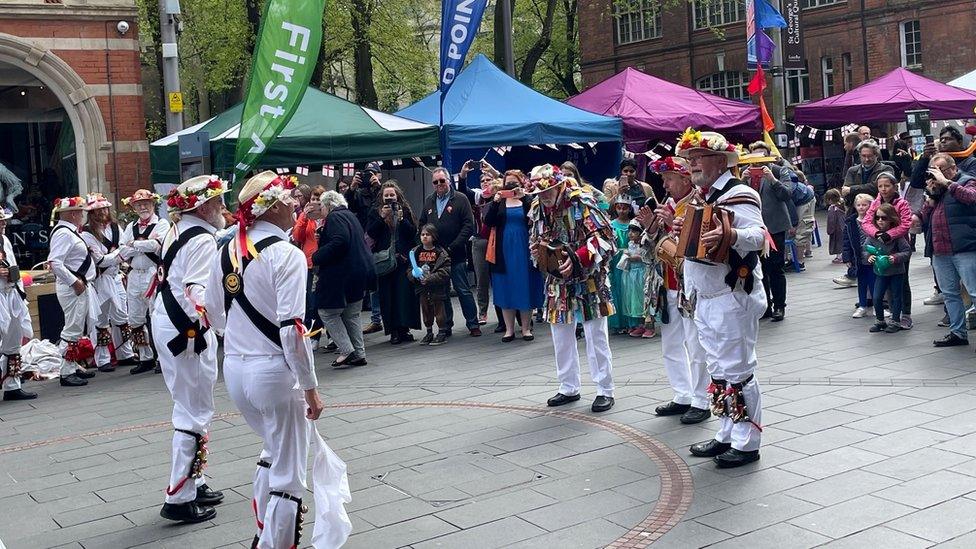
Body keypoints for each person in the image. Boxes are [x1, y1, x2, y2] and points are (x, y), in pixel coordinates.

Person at [206, 171, 348, 549]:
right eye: (290, 200)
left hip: (235, 369)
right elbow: (292, 329)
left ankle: (263, 534)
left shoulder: (227, 250)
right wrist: (312, 388)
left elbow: (214, 313)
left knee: (273, 450)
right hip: (273, 372)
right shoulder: (286, 254)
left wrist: (240, 340)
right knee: (289, 472)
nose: (296, 204)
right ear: (274, 208)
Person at [675, 129, 767, 468]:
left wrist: (730, 234)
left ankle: (748, 442)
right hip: (706, 297)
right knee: (717, 371)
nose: (693, 164)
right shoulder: (702, 196)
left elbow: (759, 236)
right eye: (690, 159)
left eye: (699, 157)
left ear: (720, 160)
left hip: (732, 294)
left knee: (739, 370)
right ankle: (727, 432)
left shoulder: (739, 193)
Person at [154, 175, 228, 523]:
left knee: (194, 404)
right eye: (218, 201)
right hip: (185, 330)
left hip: (172, 323)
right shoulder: (201, 239)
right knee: (192, 410)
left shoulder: (178, 227)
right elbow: (196, 290)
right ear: (203, 206)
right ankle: (179, 496)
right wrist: (224, 325)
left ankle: (194, 481)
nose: (223, 208)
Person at [528, 164, 617, 413]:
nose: (543, 197)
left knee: (595, 334)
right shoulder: (538, 208)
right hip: (557, 281)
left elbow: (607, 239)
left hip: (589, 278)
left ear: (560, 186)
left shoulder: (583, 202)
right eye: (539, 193)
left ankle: (605, 389)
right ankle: (568, 386)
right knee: (560, 333)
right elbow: (535, 239)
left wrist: (578, 257)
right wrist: (538, 252)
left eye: (548, 191)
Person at [639, 156, 710, 424]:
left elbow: (693, 246)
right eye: (664, 179)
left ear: (685, 178)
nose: (665, 185)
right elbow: (652, 249)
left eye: (669, 179)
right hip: (666, 284)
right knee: (671, 343)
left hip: (689, 287)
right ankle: (682, 395)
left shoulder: (699, 203)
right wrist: (650, 227)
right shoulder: (668, 204)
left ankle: (701, 400)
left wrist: (669, 223)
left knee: (695, 344)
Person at [916, 153, 976, 348]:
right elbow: (925, 219)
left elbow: (971, 198)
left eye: (941, 170)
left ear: (953, 168)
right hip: (940, 250)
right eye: (934, 170)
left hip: (965, 247)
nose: (937, 175)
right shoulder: (937, 188)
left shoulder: (967, 181)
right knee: (950, 293)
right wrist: (929, 201)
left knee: (975, 292)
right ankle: (958, 333)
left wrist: (948, 183)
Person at [313, 190, 374, 367]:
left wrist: (317, 256)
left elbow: (340, 241)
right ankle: (359, 353)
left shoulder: (334, 217)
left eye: (322, 207)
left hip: (342, 274)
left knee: (327, 312)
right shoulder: (350, 216)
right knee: (351, 313)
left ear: (328, 205)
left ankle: (347, 350)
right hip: (359, 271)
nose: (322, 211)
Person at [418, 167, 480, 337]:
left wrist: (453, 247)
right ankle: (446, 325)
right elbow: (422, 223)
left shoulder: (460, 199)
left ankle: (473, 323)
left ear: (449, 180)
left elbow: (469, 226)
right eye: (435, 182)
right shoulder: (429, 201)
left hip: (456, 254)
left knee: (463, 290)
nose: (439, 184)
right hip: (436, 258)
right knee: (442, 293)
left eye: (442, 180)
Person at [484, 172, 543, 342]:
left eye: (513, 183)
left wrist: (524, 198)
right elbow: (489, 222)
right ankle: (509, 329)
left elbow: (536, 218)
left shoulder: (528, 200)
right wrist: (495, 202)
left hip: (524, 247)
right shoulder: (499, 202)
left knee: (525, 283)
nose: (510, 186)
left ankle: (526, 328)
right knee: (505, 286)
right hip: (503, 249)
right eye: (507, 183)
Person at [81, 193, 136, 371]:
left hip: (116, 277)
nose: (103, 212)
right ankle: (102, 359)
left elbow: (123, 247)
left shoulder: (114, 227)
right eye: (98, 209)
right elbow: (100, 260)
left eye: (104, 208)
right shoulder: (87, 233)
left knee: (122, 317)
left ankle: (125, 354)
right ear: (91, 212)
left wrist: (116, 255)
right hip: (100, 280)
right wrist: (119, 255)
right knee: (101, 319)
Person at [47, 196, 97, 387]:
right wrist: (74, 281)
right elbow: (55, 262)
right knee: (72, 327)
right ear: (73, 214)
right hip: (73, 288)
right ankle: (66, 372)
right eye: (80, 212)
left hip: (78, 285)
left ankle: (73, 366)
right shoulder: (64, 233)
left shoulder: (69, 232)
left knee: (76, 326)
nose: (82, 215)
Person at [119, 189, 168, 374]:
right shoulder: (131, 226)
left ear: (153, 204)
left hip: (152, 273)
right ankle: (145, 357)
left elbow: (157, 246)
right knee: (135, 318)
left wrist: (134, 244)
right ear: (134, 207)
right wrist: (142, 243)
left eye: (146, 203)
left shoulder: (161, 223)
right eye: (138, 204)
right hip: (134, 274)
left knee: (156, 316)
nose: (142, 207)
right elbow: (122, 251)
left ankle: (162, 358)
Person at [366, 181, 420, 344]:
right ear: (382, 198)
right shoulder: (375, 212)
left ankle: (405, 328)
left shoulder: (405, 210)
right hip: (385, 260)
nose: (389, 198)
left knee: (404, 295)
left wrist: (402, 220)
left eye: (392, 195)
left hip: (403, 259)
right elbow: (371, 233)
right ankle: (394, 330)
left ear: (397, 196)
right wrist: (382, 218)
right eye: (386, 196)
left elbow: (412, 233)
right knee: (388, 296)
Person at [740, 153, 791, 322]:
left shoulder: (778, 171)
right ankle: (765, 305)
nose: (757, 165)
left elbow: (787, 194)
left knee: (776, 267)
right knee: (759, 268)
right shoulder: (743, 173)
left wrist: (772, 180)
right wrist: (741, 181)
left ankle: (779, 306)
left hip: (775, 227)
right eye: (754, 161)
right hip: (753, 228)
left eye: (762, 160)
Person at [834, 139, 891, 287]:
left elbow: (875, 188)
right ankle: (854, 273)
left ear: (876, 155)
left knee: (876, 244)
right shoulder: (853, 170)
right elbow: (845, 191)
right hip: (856, 213)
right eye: (863, 155)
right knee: (855, 243)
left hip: (880, 214)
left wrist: (854, 189)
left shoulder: (885, 169)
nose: (866, 159)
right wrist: (853, 191)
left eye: (870, 156)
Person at [862, 173, 915, 329]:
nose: (884, 189)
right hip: (879, 245)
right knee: (884, 280)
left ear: (894, 186)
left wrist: (889, 234)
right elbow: (866, 222)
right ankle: (893, 314)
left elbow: (906, 224)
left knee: (902, 281)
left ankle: (905, 314)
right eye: (880, 186)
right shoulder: (875, 202)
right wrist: (877, 233)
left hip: (898, 245)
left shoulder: (902, 203)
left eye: (887, 186)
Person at [344, 163, 384, 335]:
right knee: (372, 282)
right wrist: (352, 188)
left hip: (381, 239)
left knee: (384, 281)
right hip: (365, 241)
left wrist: (378, 187)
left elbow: (387, 203)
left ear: (380, 175)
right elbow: (348, 206)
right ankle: (376, 318)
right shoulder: (359, 193)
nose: (370, 177)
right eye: (367, 174)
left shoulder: (384, 190)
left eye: (373, 173)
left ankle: (384, 318)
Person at [0, 207, 35, 400]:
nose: (4, 224)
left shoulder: (4, 240)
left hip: (11, 294)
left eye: (4, 220)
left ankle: (12, 386)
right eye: (1, 221)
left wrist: (20, 293)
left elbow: (14, 267)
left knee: (14, 340)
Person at [459, 161, 497, 326]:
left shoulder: (500, 194)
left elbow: (506, 182)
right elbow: (462, 192)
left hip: (496, 240)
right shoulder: (476, 196)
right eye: (483, 181)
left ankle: (504, 313)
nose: (486, 183)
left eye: (489, 180)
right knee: (481, 279)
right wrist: (463, 175)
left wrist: (493, 171)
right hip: (479, 241)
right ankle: (482, 312)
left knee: (499, 277)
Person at [865, 204, 912, 333]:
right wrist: (869, 257)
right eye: (877, 218)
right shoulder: (872, 236)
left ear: (891, 219)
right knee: (877, 297)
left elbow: (907, 251)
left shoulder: (897, 236)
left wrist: (895, 258)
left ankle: (895, 321)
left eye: (884, 218)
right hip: (881, 272)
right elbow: (865, 250)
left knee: (896, 296)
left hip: (896, 271)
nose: (880, 220)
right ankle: (880, 320)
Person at [292, 185, 325, 350]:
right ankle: (314, 335)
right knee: (311, 302)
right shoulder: (306, 217)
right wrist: (304, 215)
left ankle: (331, 335)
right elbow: (297, 235)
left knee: (325, 301)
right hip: (310, 263)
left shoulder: (328, 216)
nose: (315, 202)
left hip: (326, 262)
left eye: (318, 199)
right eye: (313, 199)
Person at [407, 224, 452, 346]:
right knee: (426, 310)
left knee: (439, 310)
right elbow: (410, 269)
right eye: (423, 234)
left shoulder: (440, 252)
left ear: (434, 236)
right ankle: (429, 332)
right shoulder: (416, 252)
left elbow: (445, 271)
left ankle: (442, 331)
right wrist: (414, 277)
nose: (425, 237)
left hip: (437, 287)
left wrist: (430, 278)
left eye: (428, 234)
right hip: (422, 287)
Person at [608, 195, 642, 333]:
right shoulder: (611, 225)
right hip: (616, 259)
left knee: (629, 289)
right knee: (616, 288)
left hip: (630, 258)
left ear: (629, 209)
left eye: (625, 208)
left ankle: (631, 322)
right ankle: (618, 322)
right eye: (619, 208)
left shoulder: (633, 224)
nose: (621, 211)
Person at [847, 194, 876, 319]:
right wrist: (847, 257)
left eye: (864, 205)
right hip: (858, 257)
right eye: (858, 205)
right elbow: (846, 241)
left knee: (874, 282)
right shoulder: (850, 222)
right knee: (862, 282)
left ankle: (877, 306)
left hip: (873, 255)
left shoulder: (875, 220)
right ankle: (862, 305)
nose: (861, 207)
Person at [825, 189, 845, 263]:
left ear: (829, 199)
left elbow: (831, 220)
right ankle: (842, 256)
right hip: (843, 227)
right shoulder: (842, 205)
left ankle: (839, 257)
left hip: (836, 229)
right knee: (843, 242)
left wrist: (829, 230)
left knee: (837, 243)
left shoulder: (832, 209)